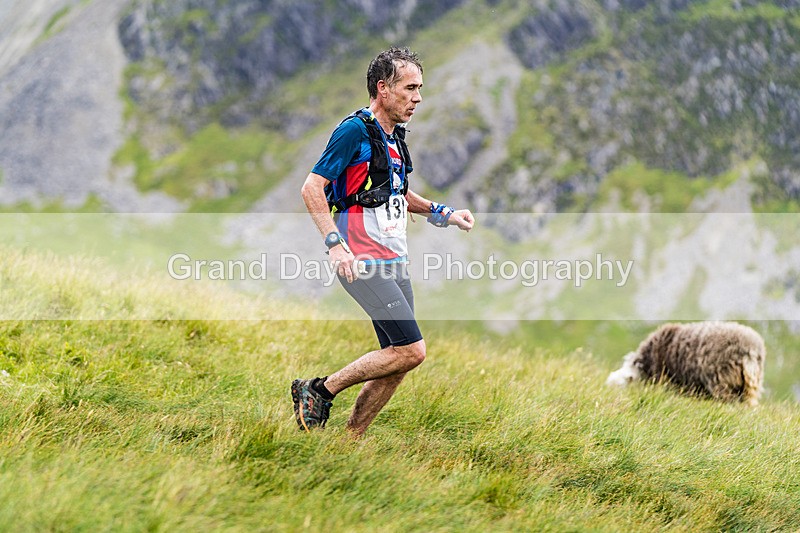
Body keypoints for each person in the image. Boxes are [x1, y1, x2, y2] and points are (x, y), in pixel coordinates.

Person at [293, 47, 475, 437]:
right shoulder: (353, 131)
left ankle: (349, 442)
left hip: (394, 260)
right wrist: (335, 245)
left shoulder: (394, 138)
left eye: (420, 88)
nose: (418, 98)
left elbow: (398, 193)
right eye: (410, 88)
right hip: (362, 260)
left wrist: (444, 213)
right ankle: (319, 389)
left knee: (399, 360)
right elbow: (312, 187)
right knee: (413, 350)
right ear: (383, 88)